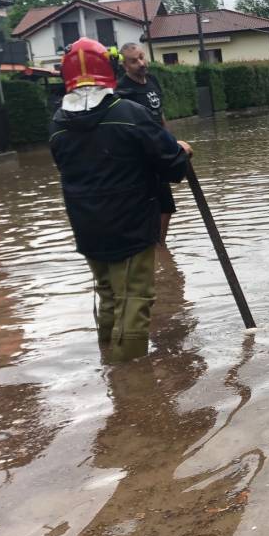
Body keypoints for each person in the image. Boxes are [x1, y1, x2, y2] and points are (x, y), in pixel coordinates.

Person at [49, 38, 193, 362]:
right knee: (135, 298)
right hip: (131, 224)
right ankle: (131, 383)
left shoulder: (58, 123)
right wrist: (182, 152)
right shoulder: (130, 114)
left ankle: (108, 364)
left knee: (109, 295)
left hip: (87, 226)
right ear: (111, 70)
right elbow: (171, 166)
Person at [115, 42, 179, 237]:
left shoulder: (152, 80)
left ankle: (160, 247)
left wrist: (171, 144)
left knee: (167, 206)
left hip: (159, 152)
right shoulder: (122, 90)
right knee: (146, 206)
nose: (141, 63)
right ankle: (151, 246)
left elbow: (159, 115)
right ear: (125, 66)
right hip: (139, 159)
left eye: (142, 57)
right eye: (134, 61)